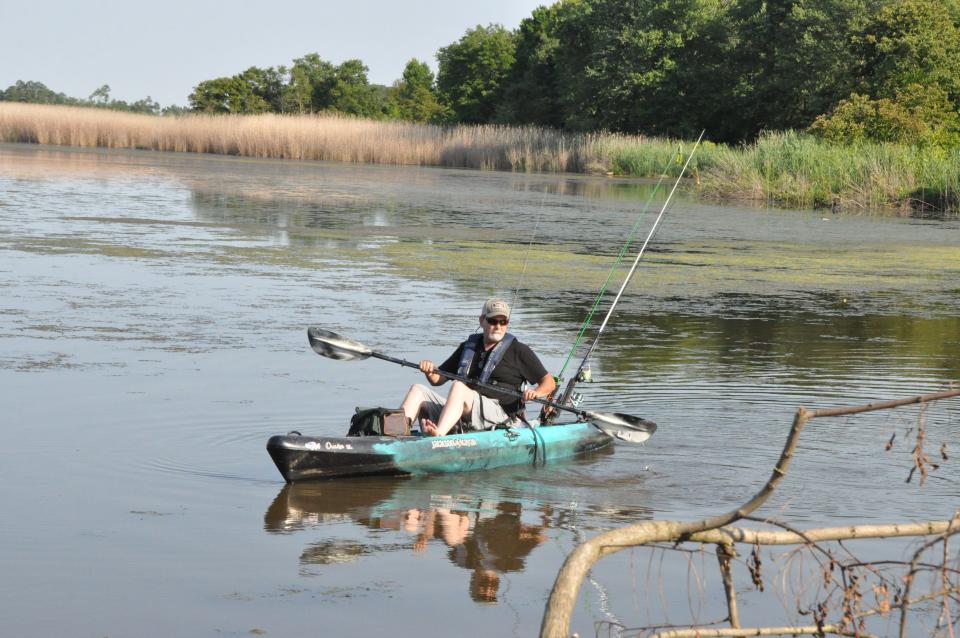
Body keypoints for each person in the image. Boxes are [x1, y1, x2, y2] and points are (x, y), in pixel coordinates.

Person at [399, 298, 556, 436]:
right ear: (482, 321)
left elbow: (549, 382)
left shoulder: (519, 350)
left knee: (458, 387)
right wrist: (429, 369)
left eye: (503, 322)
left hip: (501, 414)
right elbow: (438, 379)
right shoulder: (468, 348)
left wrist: (536, 392)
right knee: (417, 390)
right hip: (465, 412)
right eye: (493, 321)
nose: (498, 326)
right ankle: (395, 435)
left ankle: (438, 435)